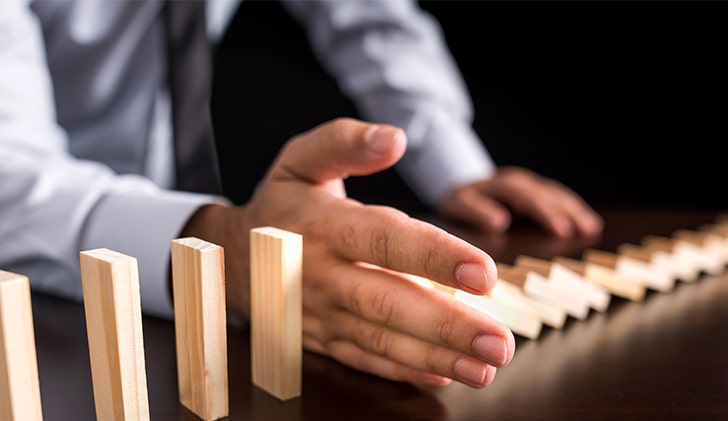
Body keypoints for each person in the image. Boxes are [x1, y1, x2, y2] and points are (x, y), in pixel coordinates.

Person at [0, 0, 600, 390]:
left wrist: (454, 163)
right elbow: (11, 174)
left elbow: (370, 17)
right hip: (41, 273)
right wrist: (224, 248)